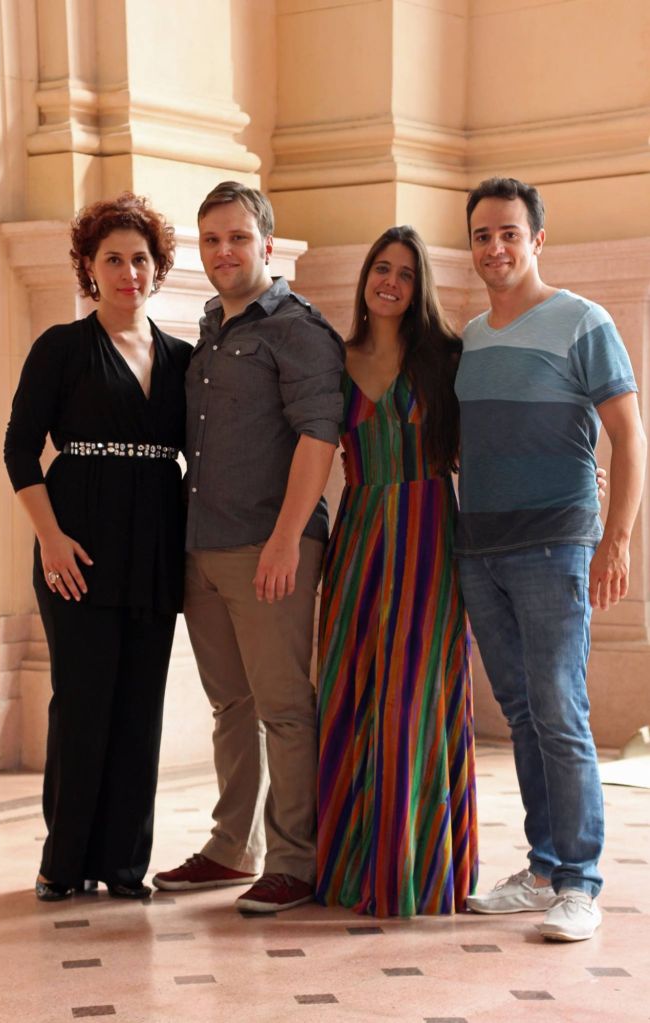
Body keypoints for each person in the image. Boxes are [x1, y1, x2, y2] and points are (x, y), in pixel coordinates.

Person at [457, 177, 647, 941]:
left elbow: (629, 436)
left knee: (561, 711)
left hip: (556, 545)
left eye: (509, 232)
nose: (495, 247)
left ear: (537, 239)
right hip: (480, 551)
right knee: (523, 711)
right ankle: (542, 869)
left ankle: (580, 881)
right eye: (482, 235)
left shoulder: (583, 321)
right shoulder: (470, 338)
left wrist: (616, 539)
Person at [152, 182, 344, 912]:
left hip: (270, 547)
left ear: (267, 243)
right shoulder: (211, 326)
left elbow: (319, 437)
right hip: (203, 547)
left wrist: (287, 540)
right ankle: (233, 847)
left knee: (284, 708)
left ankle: (295, 860)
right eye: (211, 240)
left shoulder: (298, 329)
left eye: (237, 238)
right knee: (230, 705)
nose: (223, 252)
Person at [4, 193, 191, 901]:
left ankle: (122, 865)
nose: (128, 272)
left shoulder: (183, 359)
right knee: (82, 703)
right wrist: (50, 540)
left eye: (140, 258)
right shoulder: (61, 347)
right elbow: (20, 450)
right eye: (113, 259)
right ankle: (63, 862)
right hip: (75, 549)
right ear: (88, 266)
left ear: (157, 267)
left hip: (155, 548)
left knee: (140, 709)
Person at [316, 226, 478, 917]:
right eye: (381, 268)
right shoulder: (333, 359)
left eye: (406, 274)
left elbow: (491, 439)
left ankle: (416, 871)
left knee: (414, 697)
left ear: (420, 288)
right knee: (349, 691)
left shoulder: (447, 359)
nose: (390, 282)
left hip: (430, 536)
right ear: (365, 279)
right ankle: (349, 870)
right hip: (357, 537)